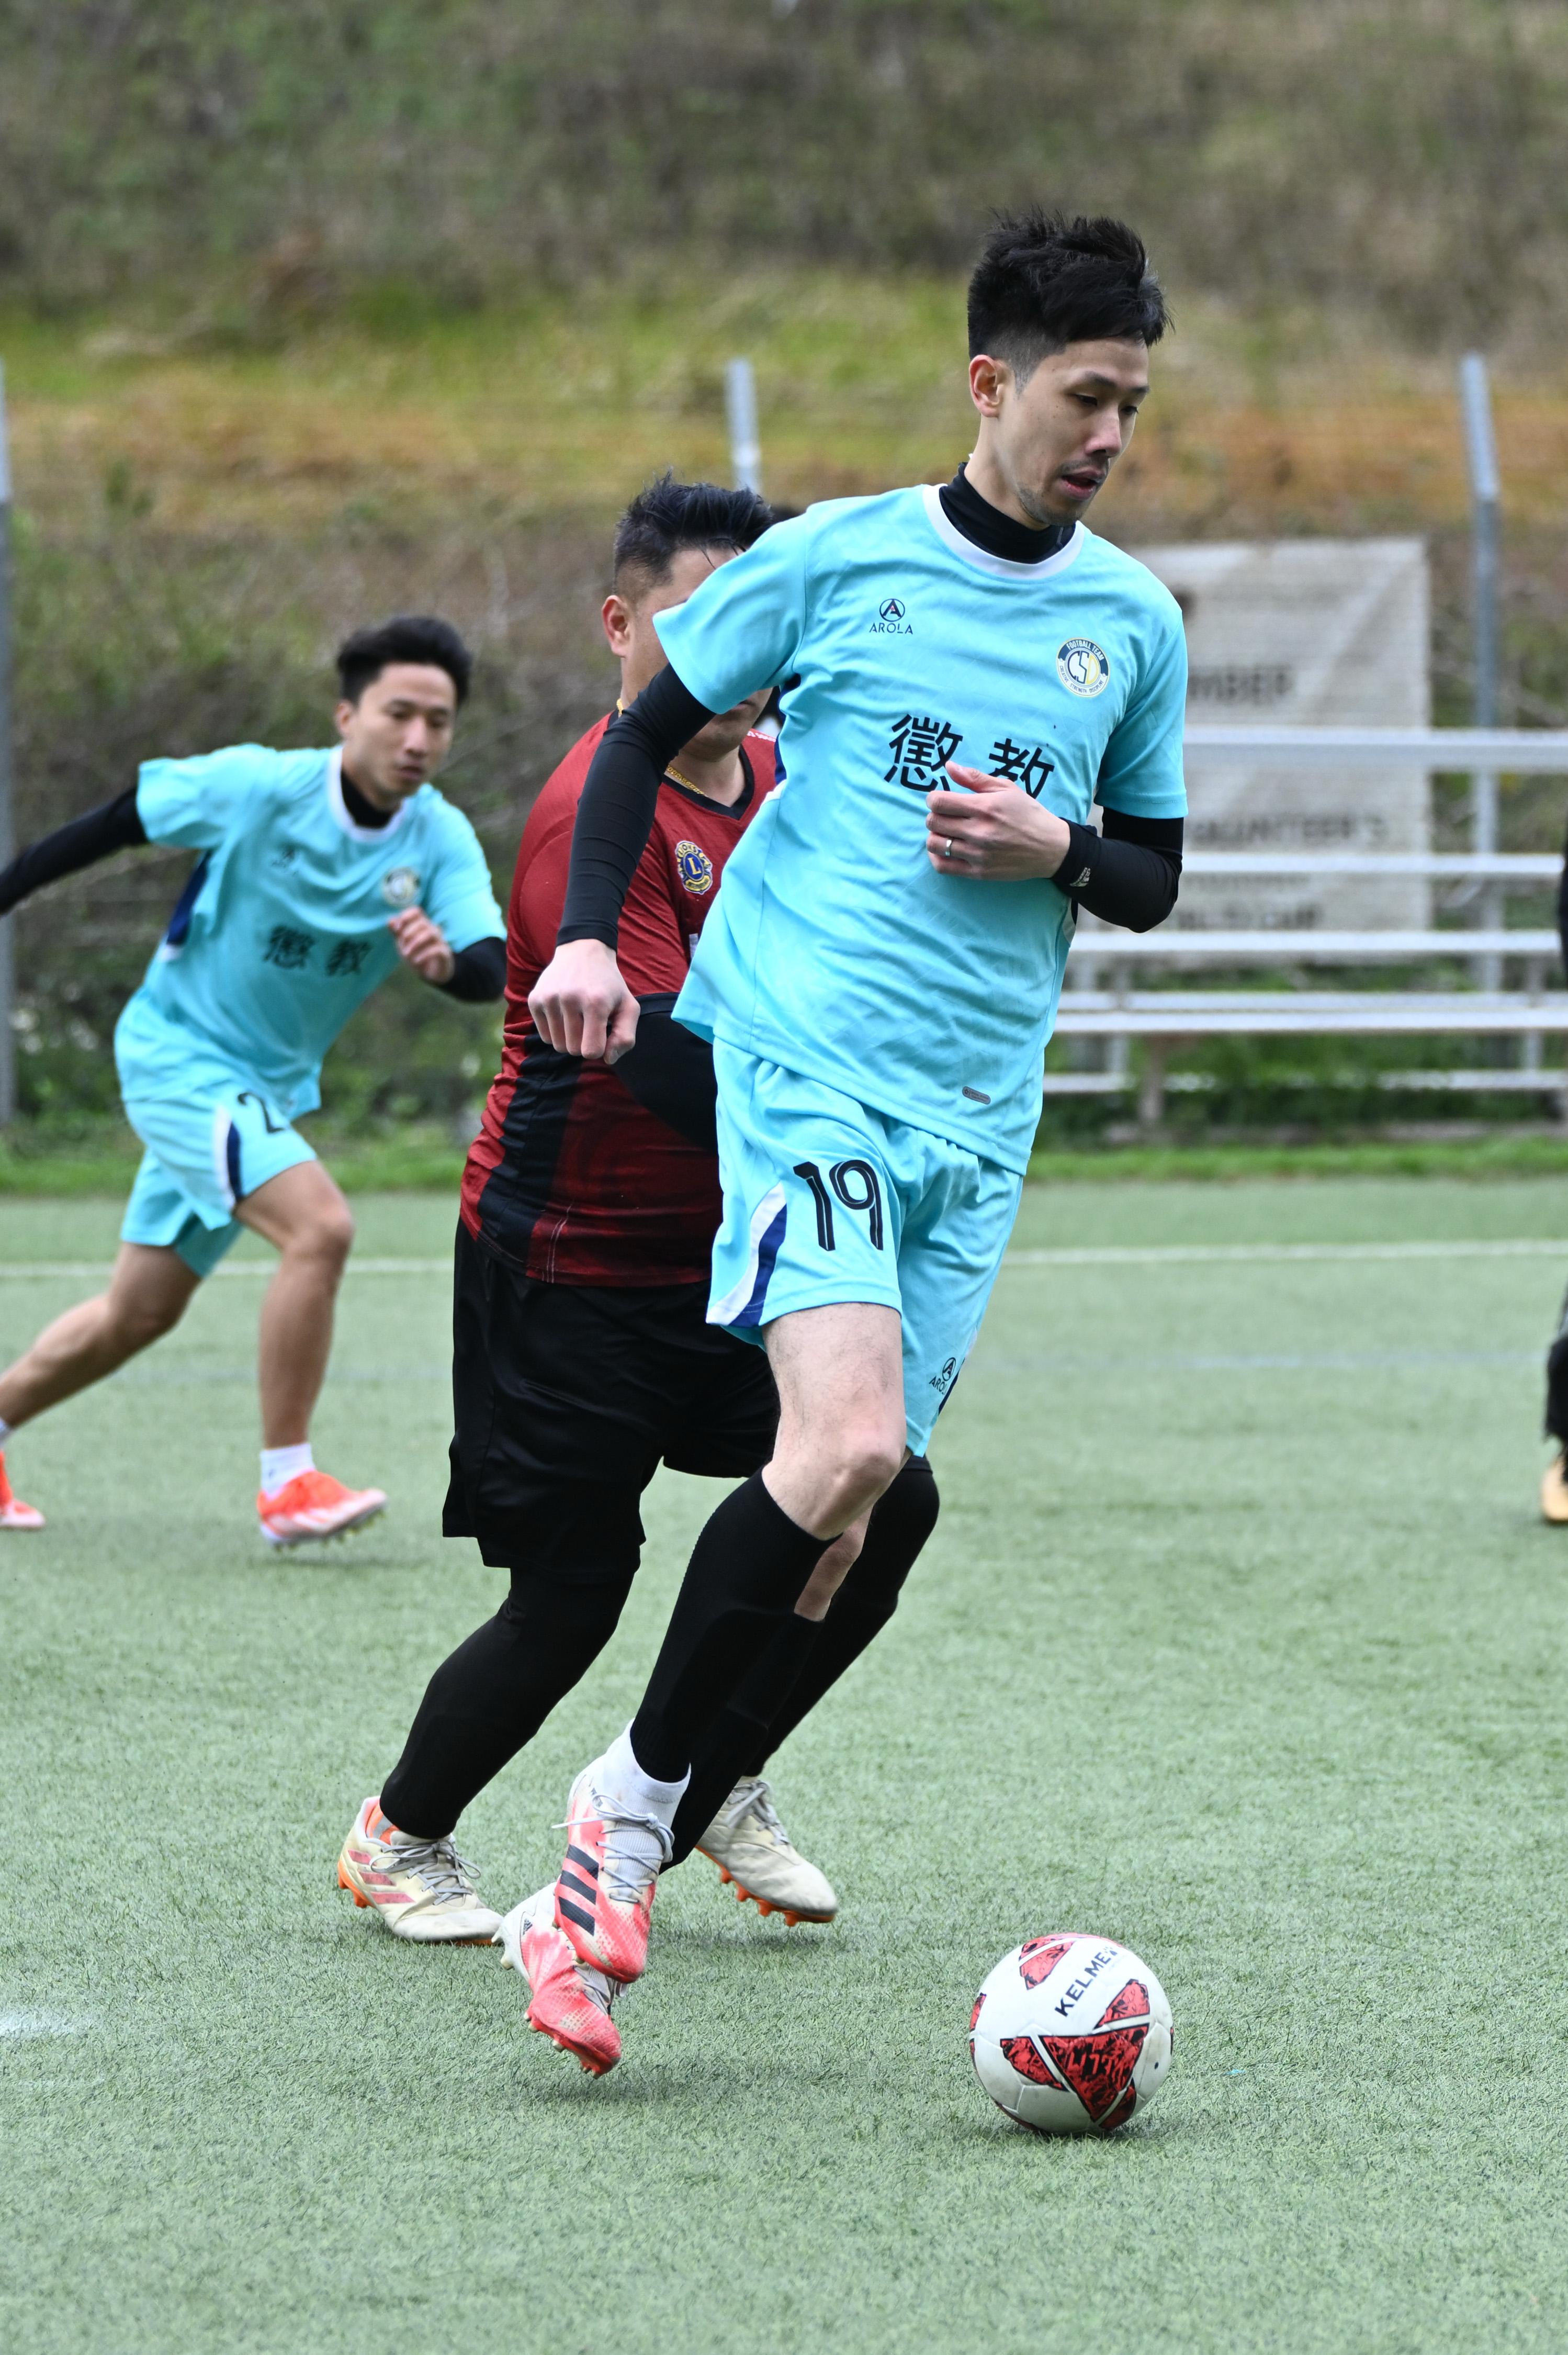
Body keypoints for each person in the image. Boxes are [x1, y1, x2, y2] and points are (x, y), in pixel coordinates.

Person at [527, 210, 1189, 2036]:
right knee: (842, 1443)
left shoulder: (1129, 624)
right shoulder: (833, 560)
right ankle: (621, 1818)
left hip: (978, 1120)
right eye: (1081, 396)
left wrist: (1054, 848)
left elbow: (1148, 876)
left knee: (848, 1512)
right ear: (988, 382)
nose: (1107, 435)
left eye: (1131, 406)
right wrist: (581, 936)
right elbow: (640, 734)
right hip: (805, 1062)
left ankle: (644, 1822)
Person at [336, 478, 942, 2076]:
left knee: (876, 1493)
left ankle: (696, 1778)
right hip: (571, 1268)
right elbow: (668, 1068)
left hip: (729, 1256)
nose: (736, 653)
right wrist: (859, 1110)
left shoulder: (786, 779)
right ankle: (400, 1832)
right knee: (574, 1588)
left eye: (758, 618)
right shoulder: (581, 822)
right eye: (695, 620)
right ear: (621, 626)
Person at [0, 616, 505, 1545]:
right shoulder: (261, 788)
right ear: (346, 716)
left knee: (136, 1314)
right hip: (177, 1057)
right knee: (321, 1228)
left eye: (438, 722)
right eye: (398, 714)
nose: (418, 739)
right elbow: (118, 822)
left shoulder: (438, 837)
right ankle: (288, 1484)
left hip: (261, 1095)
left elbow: (489, 961)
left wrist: (446, 968)